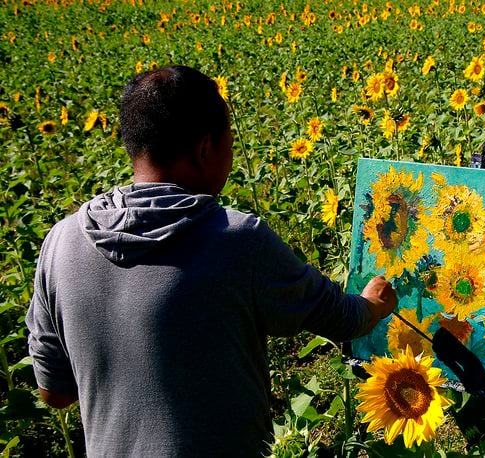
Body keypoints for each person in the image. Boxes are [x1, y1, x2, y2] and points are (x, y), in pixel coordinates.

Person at [25, 65, 397, 457]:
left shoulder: (61, 242)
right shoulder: (235, 240)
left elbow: (54, 392)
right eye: (229, 142)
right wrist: (373, 304)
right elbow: (340, 318)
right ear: (206, 149)